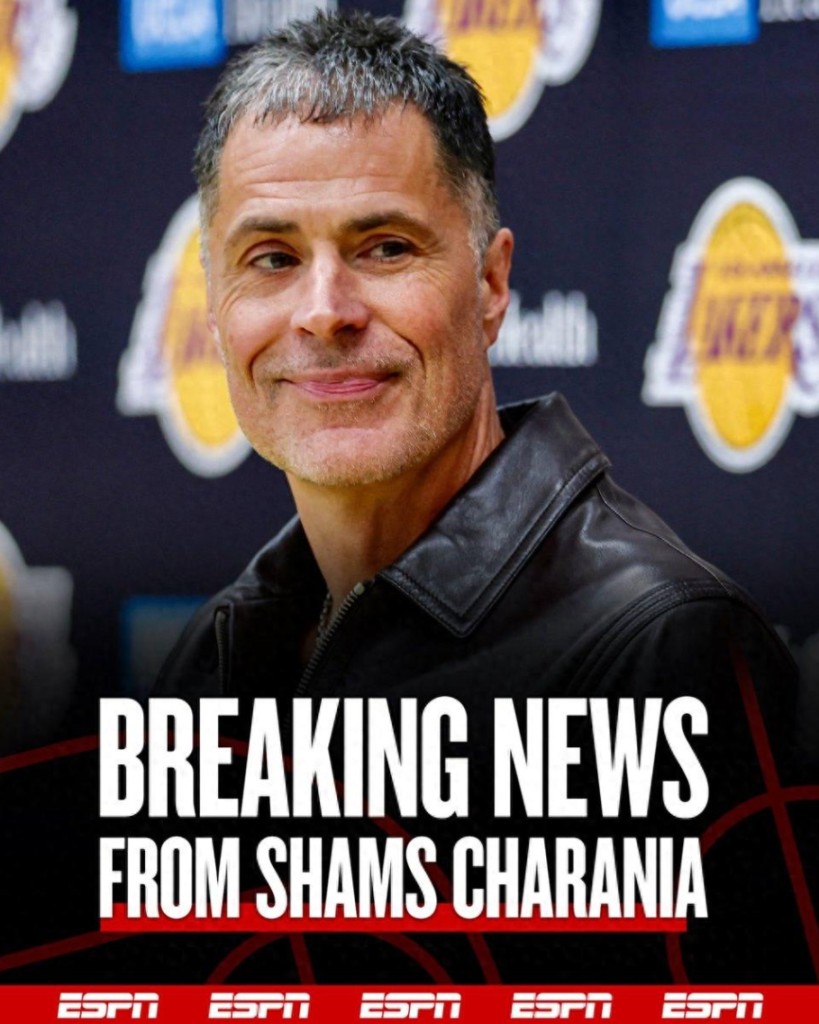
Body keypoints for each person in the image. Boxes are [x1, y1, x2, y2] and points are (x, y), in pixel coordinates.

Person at [156, 10, 809, 982]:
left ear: (493, 284)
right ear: (215, 308)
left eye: (384, 247)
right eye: (273, 259)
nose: (324, 312)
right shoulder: (213, 654)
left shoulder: (665, 650)